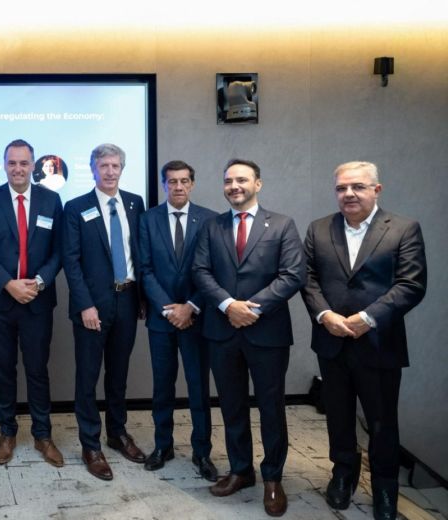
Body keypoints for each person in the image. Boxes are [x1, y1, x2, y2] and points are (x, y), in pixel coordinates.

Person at [301, 161, 426, 520]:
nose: (348, 194)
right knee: (338, 416)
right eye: (341, 188)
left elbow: (412, 285)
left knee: (382, 422)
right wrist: (326, 316)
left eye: (357, 186)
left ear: (377, 189)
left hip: (379, 345)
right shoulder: (318, 229)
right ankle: (343, 474)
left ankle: (385, 489)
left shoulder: (403, 228)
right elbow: (308, 280)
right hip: (332, 342)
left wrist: (367, 318)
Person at [191, 158, 305, 517]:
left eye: (242, 179)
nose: (234, 186)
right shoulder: (212, 226)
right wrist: (228, 306)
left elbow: (292, 275)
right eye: (228, 180)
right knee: (232, 405)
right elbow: (200, 271)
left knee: (271, 407)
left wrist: (250, 308)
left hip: (266, 332)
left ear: (258, 183)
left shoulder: (283, 225)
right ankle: (241, 470)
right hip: (223, 332)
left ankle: (273, 477)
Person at [0, 139, 64, 467]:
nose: (18, 169)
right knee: (4, 369)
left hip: (37, 301)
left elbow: (59, 251)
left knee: (38, 370)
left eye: (24, 163)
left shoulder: (52, 200)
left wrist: (38, 283)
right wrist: (9, 284)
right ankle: (7, 432)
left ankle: (43, 435)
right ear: (4, 164)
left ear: (33, 165)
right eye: (12, 163)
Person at [62, 143, 147, 480]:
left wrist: (143, 298)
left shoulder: (134, 203)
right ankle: (90, 443)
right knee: (87, 376)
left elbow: (138, 253)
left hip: (126, 300)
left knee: (119, 373)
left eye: (115, 166)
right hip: (92, 305)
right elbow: (71, 261)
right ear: (93, 169)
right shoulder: (75, 207)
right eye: (103, 166)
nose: (110, 172)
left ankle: (117, 433)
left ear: (122, 169)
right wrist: (85, 304)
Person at [138, 160, 218, 480]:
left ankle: (202, 452)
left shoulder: (210, 220)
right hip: (162, 319)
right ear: (164, 184)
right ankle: (163, 446)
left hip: (197, 318)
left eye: (184, 181)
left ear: (193, 184)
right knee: (162, 387)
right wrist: (169, 309)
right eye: (172, 182)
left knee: (199, 388)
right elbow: (144, 269)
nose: (179, 187)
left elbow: (212, 271)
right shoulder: (148, 220)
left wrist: (191, 307)